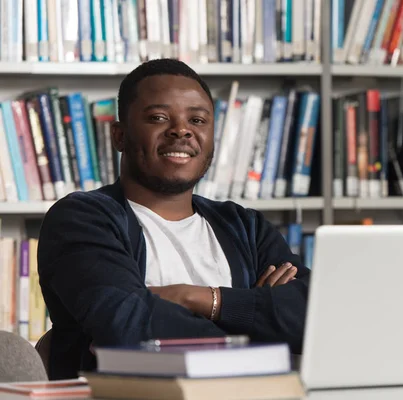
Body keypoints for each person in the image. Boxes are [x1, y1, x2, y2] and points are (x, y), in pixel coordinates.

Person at [37, 59, 310, 380]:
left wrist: (196, 298)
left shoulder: (245, 226)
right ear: (119, 136)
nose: (182, 129)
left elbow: (315, 317)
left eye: (197, 119)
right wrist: (258, 322)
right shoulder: (81, 218)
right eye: (158, 117)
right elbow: (128, 328)